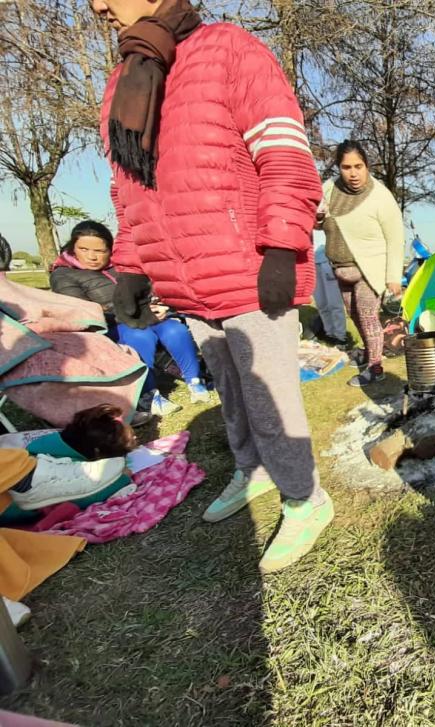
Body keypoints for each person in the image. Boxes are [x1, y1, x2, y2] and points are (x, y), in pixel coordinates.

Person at [90, 0, 331, 573]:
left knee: (270, 398)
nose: (97, 5)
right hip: (185, 278)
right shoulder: (124, 81)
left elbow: (284, 152)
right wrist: (131, 265)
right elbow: (129, 190)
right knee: (230, 388)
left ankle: (306, 498)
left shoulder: (229, 49)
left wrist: (281, 247)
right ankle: (253, 470)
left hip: (248, 267)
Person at [50, 221, 209, 416]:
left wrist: (159, 304)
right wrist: (139, 312)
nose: (92, 256)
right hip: (108, 326)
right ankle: (147, 393)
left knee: (175, 329)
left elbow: (147, 289)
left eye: (100, 251)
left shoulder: (122, 265)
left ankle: (195, 380)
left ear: (110, 249)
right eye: (84, 249)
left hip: (143, 317)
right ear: (72, 247)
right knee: (139, 336)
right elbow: (83, 312)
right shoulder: (63, 275)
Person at [320, 141, 405, 386]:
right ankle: (369, 352)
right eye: (346, 167)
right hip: (340, 267)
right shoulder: (328, 189)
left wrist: (393, 276)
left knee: (368, 316)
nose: (353, 173)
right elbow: (319, 219)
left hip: (370, 269)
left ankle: (376, 368)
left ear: (367, 166)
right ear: (339, 168)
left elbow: (395, 237)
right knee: (355, 315)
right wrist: (317, 220)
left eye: (358, 166)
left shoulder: (380, 196)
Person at [0, 404, 139, 524]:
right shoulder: (63, 459)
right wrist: (122, 478)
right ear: (98, 453)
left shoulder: (55, 441)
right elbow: (82, 497)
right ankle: (28, 483)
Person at [310, 202, 350, 348]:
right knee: (321, 303)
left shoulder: (330, 217)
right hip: (312, 263)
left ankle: (340, 336)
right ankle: (329, 333)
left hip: (328, 262)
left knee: (334, 303)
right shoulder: (306, 217)